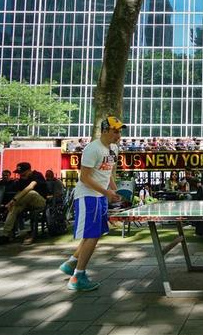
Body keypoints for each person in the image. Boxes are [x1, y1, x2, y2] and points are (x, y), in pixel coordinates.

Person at [57, 116, 124, 291]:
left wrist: (114, 190)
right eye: (115, 131)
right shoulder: (92, 149)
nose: (118, 135)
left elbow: (107, 172)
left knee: (95, 233)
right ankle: (77, 277)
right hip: (88, 196)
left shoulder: (114, 149)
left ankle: (71, 263)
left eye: (119, 131)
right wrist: (106, 192)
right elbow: (84, 178)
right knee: (92, 236)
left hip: (100, 196)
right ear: (104, 131)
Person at [0, 162, 49, 246]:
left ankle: (5, 208)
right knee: (14, 208)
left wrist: (13, 200)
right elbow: (19, 192)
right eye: (19, 173)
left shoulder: (37, 175)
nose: (21, 175)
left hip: (40, 202)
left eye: (23, 173)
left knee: (31, 193)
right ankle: (6, 235)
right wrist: (11, 203)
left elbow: (30, 187)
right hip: (25, 202)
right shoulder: (22, 179)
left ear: (29, 171)